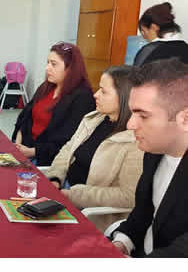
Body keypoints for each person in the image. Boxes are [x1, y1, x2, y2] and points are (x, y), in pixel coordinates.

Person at [45, 66, 144, 231]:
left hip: (88, 211)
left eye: (103, 92)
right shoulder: (93, 119)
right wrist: (55, 178)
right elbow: (68, 150)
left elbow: (128, 196)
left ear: (124, 97)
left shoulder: (135, 141)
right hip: (62, 192)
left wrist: (73, 195)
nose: (95, 95)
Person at [111, 59, 188, 257]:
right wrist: (122, 243)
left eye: (143, 116)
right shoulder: (154, 152)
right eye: (132, 113)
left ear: (185, 119)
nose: (130, 125)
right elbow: (143, 213)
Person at [11, 42, 95, 166]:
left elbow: (69, 141)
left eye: (54, 64)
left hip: (47, 160)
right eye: (48, 62)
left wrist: (32, 152)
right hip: (24, 149)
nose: (47, 68)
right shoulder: (46, 87)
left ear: (70, 68)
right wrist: (18, 144)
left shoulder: (82, 97)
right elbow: (25, 117)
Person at [134, 2, 188, 66]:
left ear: (154, 27)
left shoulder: (148, 51)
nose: (144, 37)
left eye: (143, 32)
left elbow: (135, 72)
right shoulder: (185, 48)